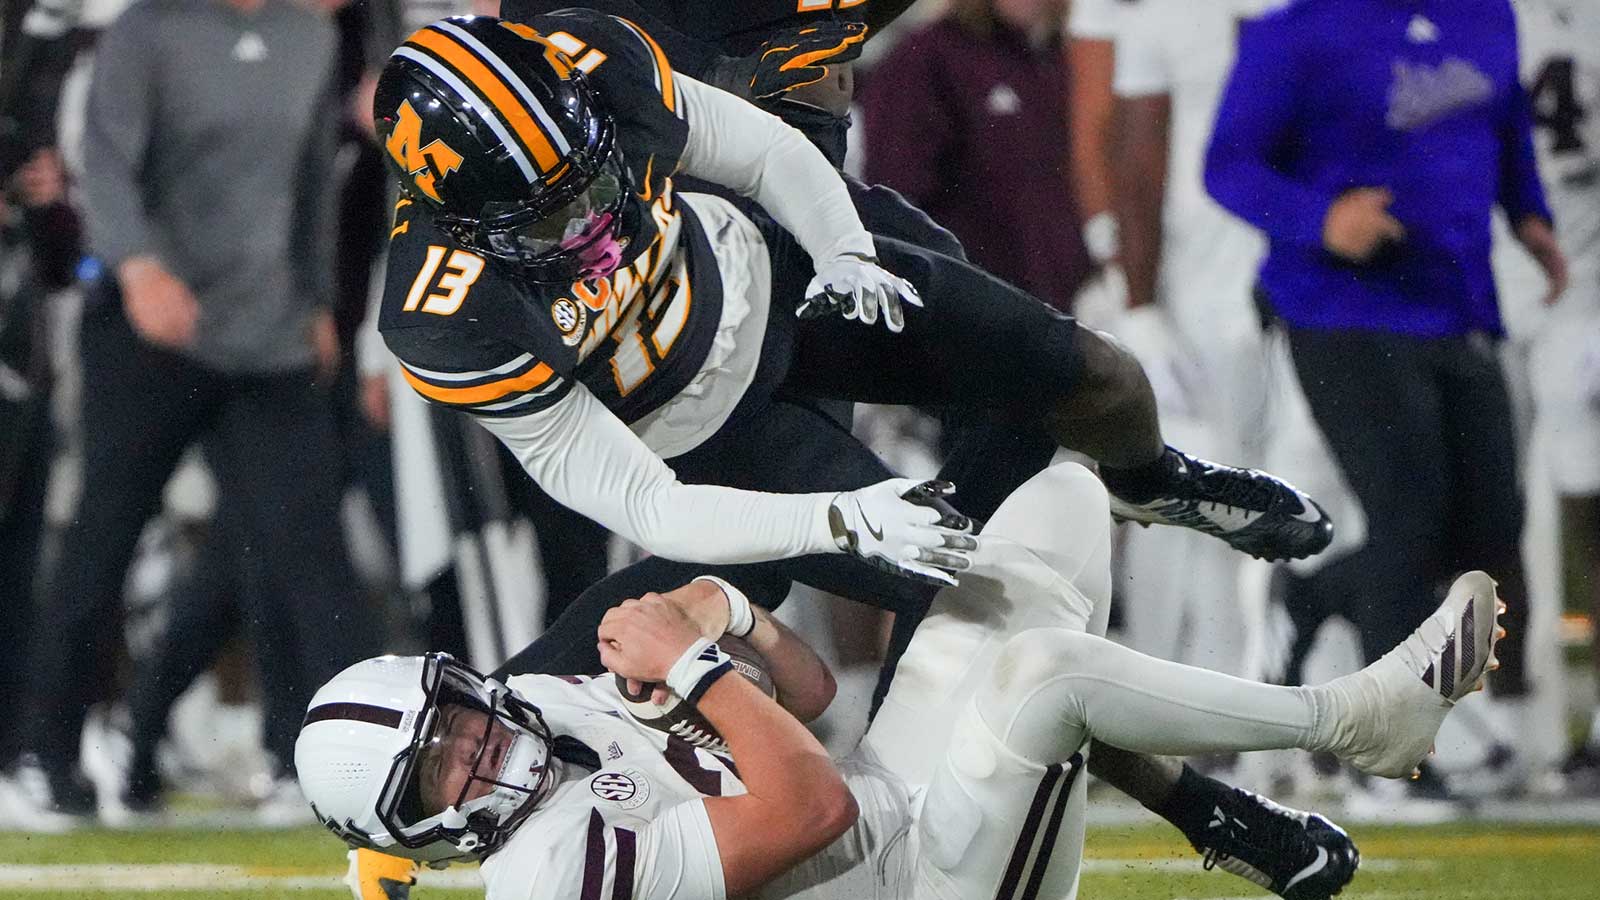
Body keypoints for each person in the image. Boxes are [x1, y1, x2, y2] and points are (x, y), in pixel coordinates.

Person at [296, 461, 1511, 900]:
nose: (475, 750)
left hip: (895, 814)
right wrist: (703, 667)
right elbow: (808, 809)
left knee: (1062, 501)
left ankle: (1228, 811)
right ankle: (1350, 720)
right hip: (907, 881)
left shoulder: (550, 705)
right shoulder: (549, 876)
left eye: (453, 719)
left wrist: (744, 633)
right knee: (1038, 675)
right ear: (423, 830)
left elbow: (817, 705)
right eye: (440, 769)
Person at [17, 0, 378, 816]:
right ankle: (48, 759)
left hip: (268, 339)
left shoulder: (307, 37)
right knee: (100, 546)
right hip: (151, 335)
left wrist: (320, 300)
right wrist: (139, 268)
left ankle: (351, 770)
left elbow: (311, 179)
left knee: (312, 557)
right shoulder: (146, 30)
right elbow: (102, 165)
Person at [1204, 0, 1556, 790]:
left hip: (1459, 300)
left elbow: (1503, 128)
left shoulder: (1487, 16)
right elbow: (1227, 166)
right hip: (1339, 307)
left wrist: (1529, 217)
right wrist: (1318, 217)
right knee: (1406, 516)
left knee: (1490, 526)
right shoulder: (1297, 29)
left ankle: (1312, 598)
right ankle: (1386, 759)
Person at [1105, 0, 1285, 689]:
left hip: (1304, 276)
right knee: (1201, 499)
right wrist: (1142, 303)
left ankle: (1300, 700)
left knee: (1302, 495)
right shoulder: (1163, 19)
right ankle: (1192, 696)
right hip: (1203, 291)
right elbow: (1137, 162)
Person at [1488, 0, 1600, 790]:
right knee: (1513, 514)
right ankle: (1521, 723)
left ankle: (1519, 722)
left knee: (1507, 517)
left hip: (1504, 283)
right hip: (1552, 284)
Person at [858, 0, 1089, 314]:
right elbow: (894, 199)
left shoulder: (1061, 61)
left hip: (1062, 313)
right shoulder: (924, 61)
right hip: (973, 315)